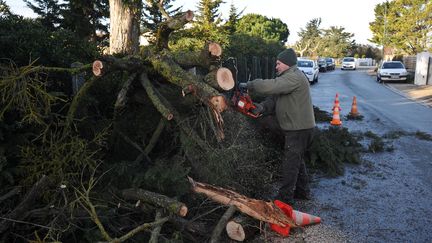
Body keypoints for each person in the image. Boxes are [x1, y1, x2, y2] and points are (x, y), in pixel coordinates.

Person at [243, 48, 316, 204]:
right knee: (297, 159)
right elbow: (274, 99)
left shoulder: (294, 77)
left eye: (278, 64)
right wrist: (261, 107)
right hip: (296, 128)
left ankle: (284, 200)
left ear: (287, 64)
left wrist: (249, 84)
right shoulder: (287, 79)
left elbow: (272, 86)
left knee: (290, 163)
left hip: (299, 129)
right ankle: (303, 192)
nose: (276, 67)